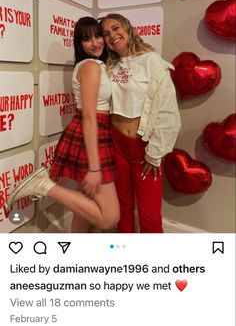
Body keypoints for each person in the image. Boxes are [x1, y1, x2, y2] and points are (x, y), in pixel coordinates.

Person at [7, 17, 120, 232]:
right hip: (92, 131)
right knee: (108, 217)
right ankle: (43, 185)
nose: (95, 43)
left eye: (98, 36)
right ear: (79, 44)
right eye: (87, 39)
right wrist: (95, 168)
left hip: (95, 131)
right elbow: (88, 116)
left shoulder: (95, 65)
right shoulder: (91, 66)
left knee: (85, 204)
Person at [99, 13, 181, 233]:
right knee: (122, 208)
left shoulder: (152, 61)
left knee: (150, 214)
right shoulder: (108, 65)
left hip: (143, 146)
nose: (112, 36)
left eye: (116, 28)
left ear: (127, 28)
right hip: (116, 144)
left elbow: (168, 111)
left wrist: (155, 153)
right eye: (106, 34)